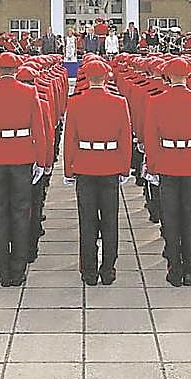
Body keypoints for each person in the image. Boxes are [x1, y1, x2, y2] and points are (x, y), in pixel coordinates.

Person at [0, 52, 46, 287]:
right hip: (22, 156)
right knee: (21, 214)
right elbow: (39, 129)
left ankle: (3, 270)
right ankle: (18, 268)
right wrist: (41, 160)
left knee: (1, 214)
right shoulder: (29, 92)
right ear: (16, 70)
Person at [143, 57, 191, 286]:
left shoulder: (157, 101)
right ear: (188, 75)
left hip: (167, 162)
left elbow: (151, 138)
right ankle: (190, 268)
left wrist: (152, 166)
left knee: (171, 217)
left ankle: (174, 266)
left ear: (168, 76)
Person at [64, 58, 131, 285]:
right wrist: (124, 167)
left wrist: (68, 168)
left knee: (87, 221)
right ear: (105, 78)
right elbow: (125, 138)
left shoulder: (75, 103)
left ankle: (89, 270)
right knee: (110, 221)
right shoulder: (119, 102)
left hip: (84, 164)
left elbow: (70, 139)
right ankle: (108, 268)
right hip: (110, 164)